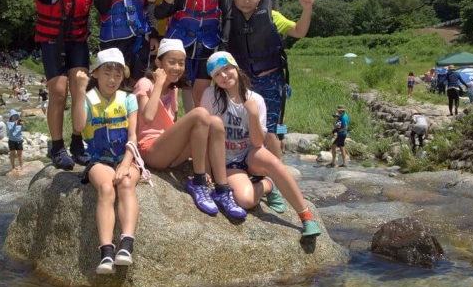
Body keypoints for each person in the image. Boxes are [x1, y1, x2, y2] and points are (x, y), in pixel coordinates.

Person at [201, 52, 321, 237]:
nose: (224, 76)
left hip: (250, 153)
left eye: (226, 69)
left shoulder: (256, 99)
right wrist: (207, 169)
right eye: (217, 74)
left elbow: (257, 142)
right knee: (245, 200)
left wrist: (254, 115)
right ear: (213, 79)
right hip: (226, 161)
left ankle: (306, 217)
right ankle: (267, 185)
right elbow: (206, 135)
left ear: (236, 68)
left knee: (273, 162)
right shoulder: (210, 96)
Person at [133, 38, 246, 219]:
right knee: (200, 113)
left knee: (215, 122)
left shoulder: (173, 89)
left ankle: (222, 188)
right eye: (171, 62)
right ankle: (198, 182)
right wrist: (159, 84)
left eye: (181, 63)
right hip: (151, 151)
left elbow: (173, 125)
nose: (177, 67)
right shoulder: (145, 84)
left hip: (171, 153)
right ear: (158, 62)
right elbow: (148, 117)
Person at [23, 0, 94, 169]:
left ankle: (77, 142)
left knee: (79, 88)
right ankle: (56, 146)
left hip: (77, 39)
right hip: (52, 38)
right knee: (59, 92)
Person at [227, 0, 314, 159]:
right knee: (243, 125)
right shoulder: (227, 18)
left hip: (270, 79)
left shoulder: (271, 15)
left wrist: (307, 9)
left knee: (270, 129)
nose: (246, 1)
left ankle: (276, 175)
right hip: (243, 81)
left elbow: (299, 31)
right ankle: (249, 165)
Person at [72, 48, 142, 274]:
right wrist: (80, 92)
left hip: (126, 157)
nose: (112, 80)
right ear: (96, 74)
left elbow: (133, 136)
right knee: (105, 187)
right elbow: (79, 127)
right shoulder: (88, 99)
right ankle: (106, 253)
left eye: (117, 75)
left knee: (126, 183)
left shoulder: (129, 99)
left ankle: (126, 246)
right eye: (107, 73)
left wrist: (125, 164)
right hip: (98, 160)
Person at [154, 0, 230, 110]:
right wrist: (167, 1)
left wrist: (224, 44)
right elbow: (160, 13)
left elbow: (228, 15)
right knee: (181, 86)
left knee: (201, 93)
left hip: (208, 42)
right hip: (181, 41)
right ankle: (179, 127)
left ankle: (199, 128)